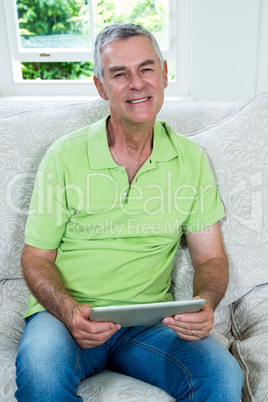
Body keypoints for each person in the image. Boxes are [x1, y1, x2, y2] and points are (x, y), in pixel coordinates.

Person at [15, 23, 243, 401]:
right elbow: (36, 257)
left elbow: (211, 257)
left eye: (146, 68)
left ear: (165, 75)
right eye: (120, 74)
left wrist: (205, 303)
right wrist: (69, 310)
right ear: (101, 87)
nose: (137, 83)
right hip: (65, 318)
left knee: (220, 375)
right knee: (41, 374)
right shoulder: (64, 155)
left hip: (148, 323)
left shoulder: (191, 160)